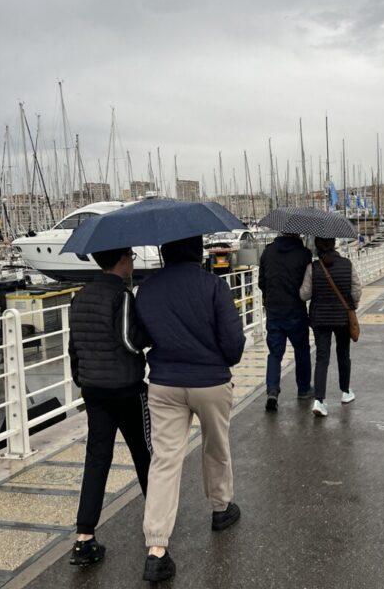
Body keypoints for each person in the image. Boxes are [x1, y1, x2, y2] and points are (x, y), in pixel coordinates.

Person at [135, 235, 246, 582]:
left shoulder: (148, 288)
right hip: (210, 381)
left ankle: (156, 548)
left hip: (164, 382)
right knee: (216, 446)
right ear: (197, 251)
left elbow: (140, 339)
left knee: (165, 459)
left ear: (164, 252)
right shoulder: (213, 285)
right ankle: (220, 508)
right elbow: (233, 344)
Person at [67, 247, 151, 567]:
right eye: (130, 255)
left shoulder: (81, 296)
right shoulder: (123, 296)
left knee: (97, 459)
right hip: (126, 388)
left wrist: (82, 378)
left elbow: (75, 346)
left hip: (93, 389)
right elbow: (131, 341)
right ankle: (155, 524)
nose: (132, 261)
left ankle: (84, 537)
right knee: (145, 453)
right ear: (121, 260)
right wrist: (147, 332)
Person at [300, 237, 361, 418]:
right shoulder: (347, 264)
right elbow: (357, 290)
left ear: (317, 246)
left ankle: (319, 400)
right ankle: (345, 391)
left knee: (322, 358)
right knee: (343, 354)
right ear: (334, 244)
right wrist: (352, 306)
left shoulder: (313, 268)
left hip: (319, 319)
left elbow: (304, 295)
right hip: (342, 318)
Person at [258, 232, 313, 412]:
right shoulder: (304, 254)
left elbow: (261, 282)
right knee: (302, 350)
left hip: (274, 310)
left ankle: (272, 390)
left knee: (275, 353)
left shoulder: (268, 252)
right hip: (296, 310)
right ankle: (303, 388)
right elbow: (307, 286)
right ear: (297, 232)